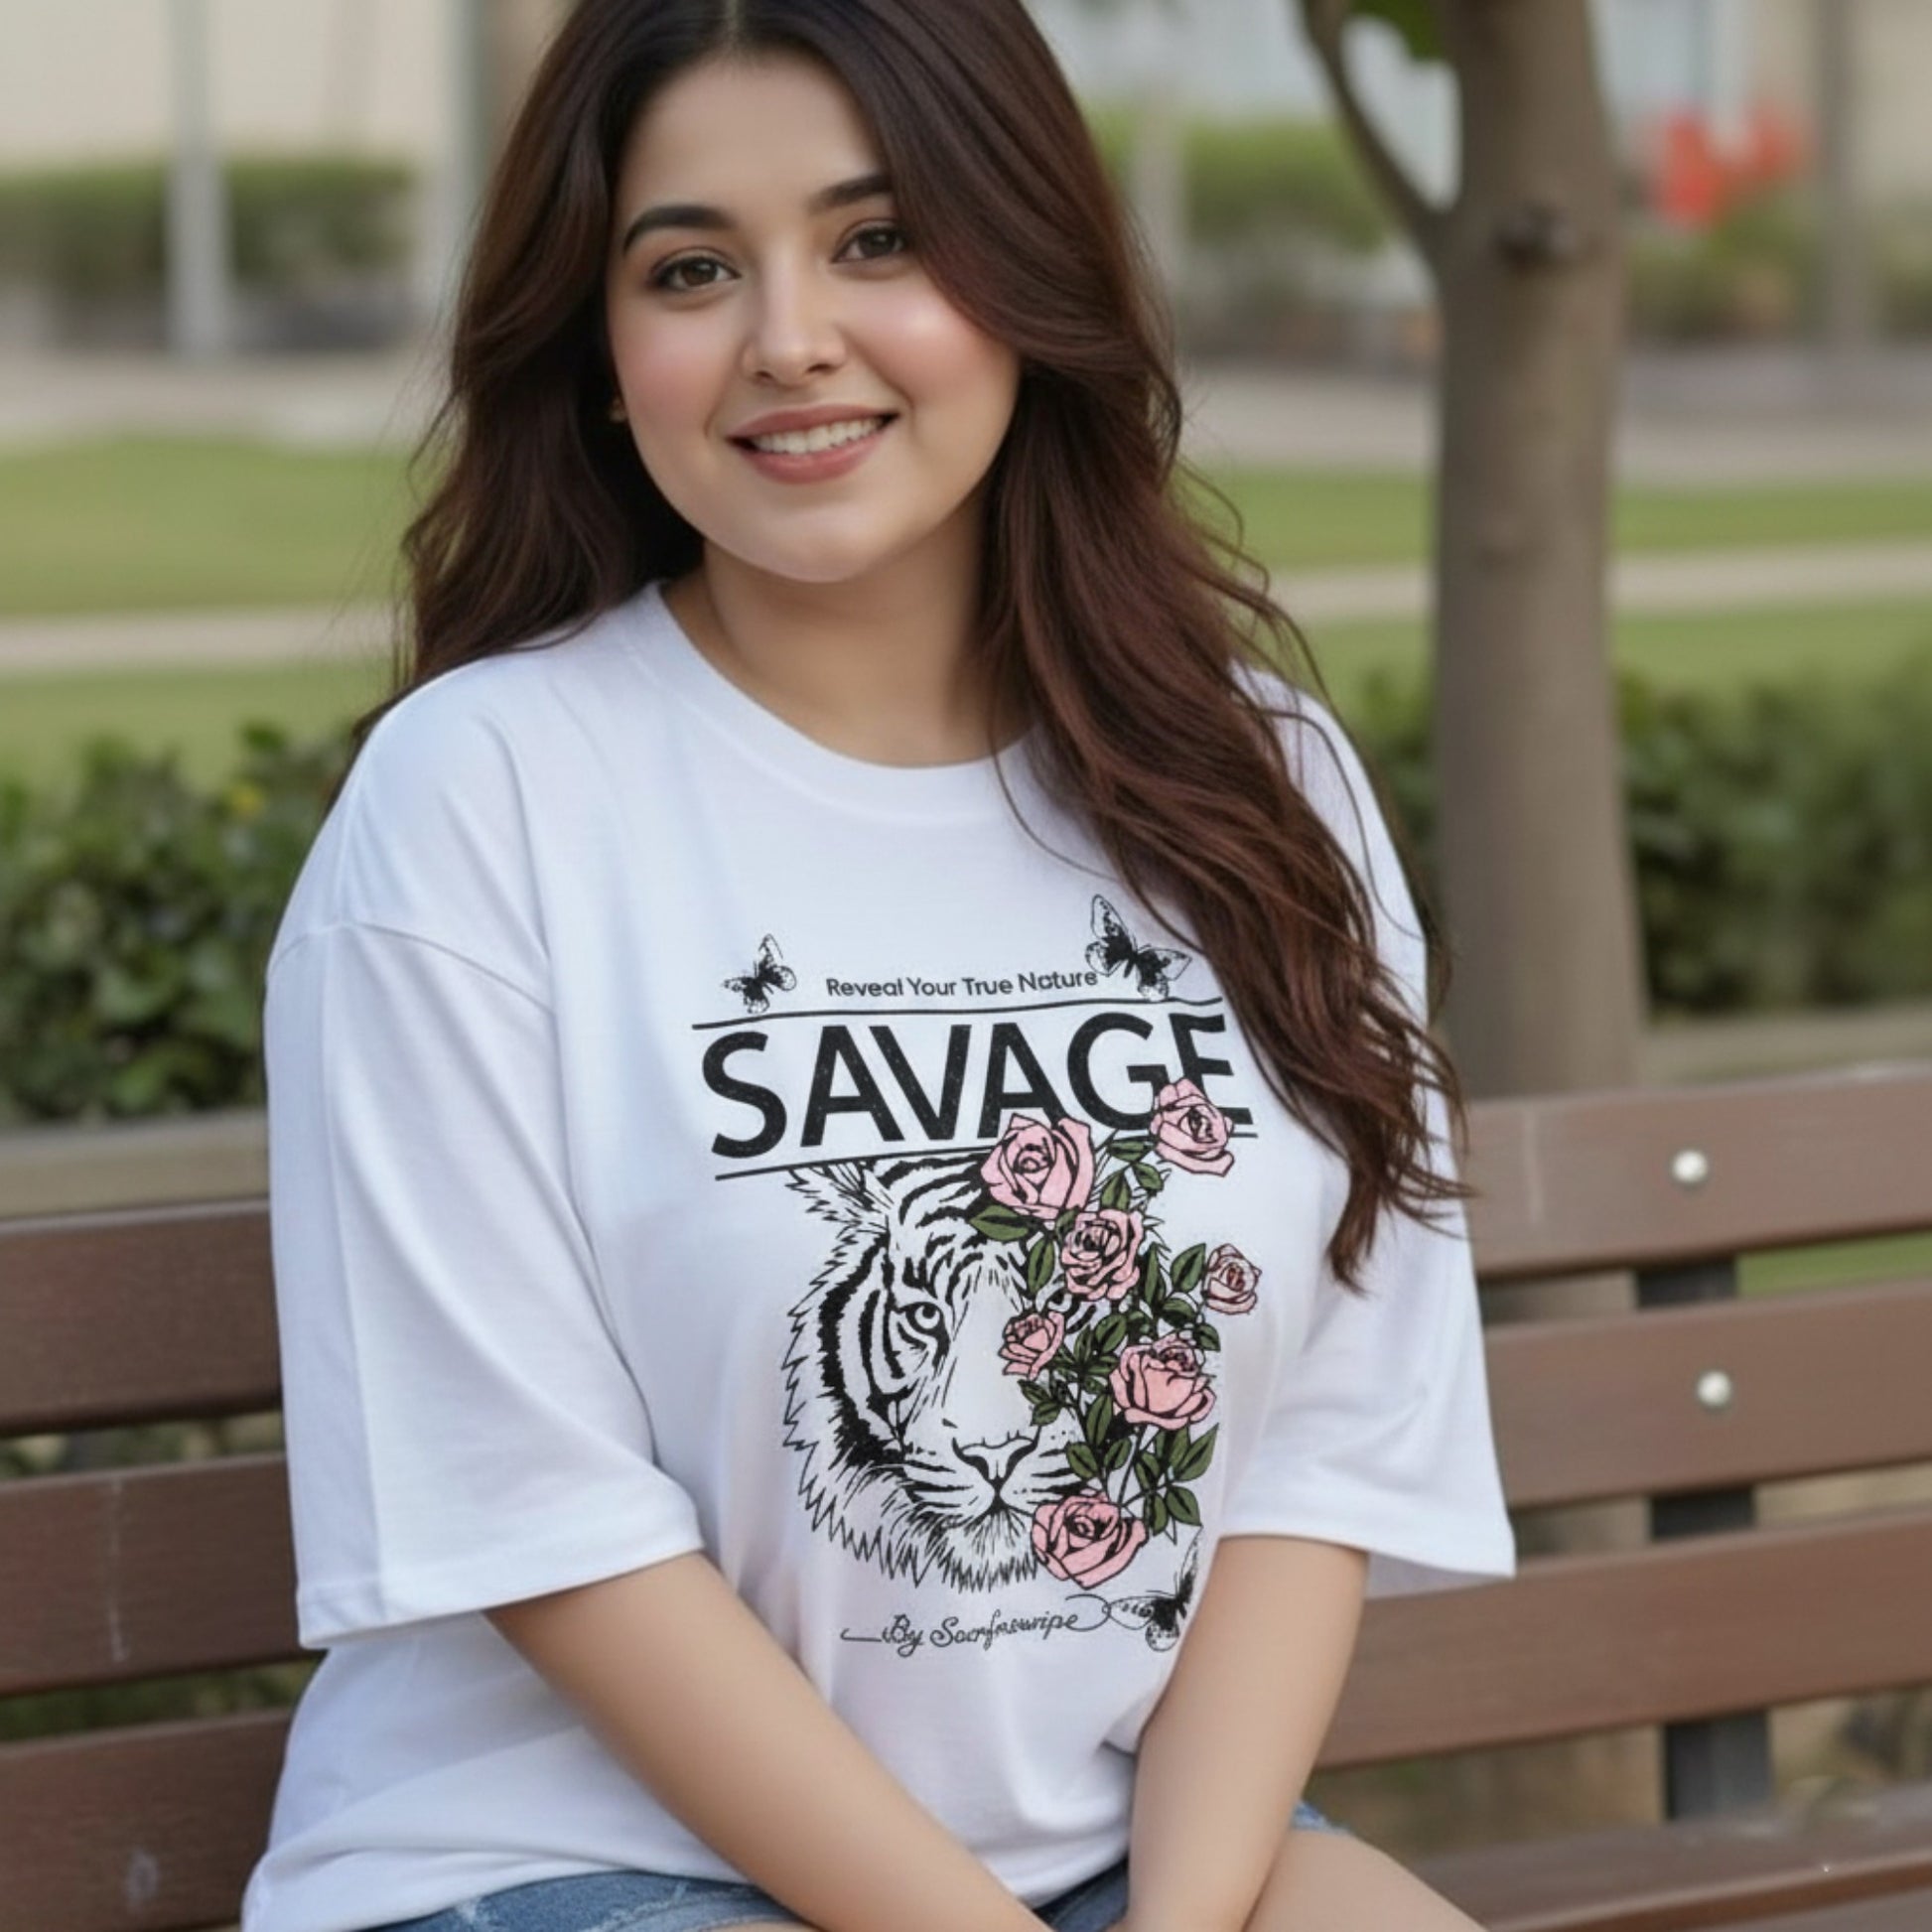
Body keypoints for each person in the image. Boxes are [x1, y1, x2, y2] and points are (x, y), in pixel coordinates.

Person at [239, 4, 1516, 1930]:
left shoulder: (1260, 787)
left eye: (878, 238)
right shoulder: (482, 798)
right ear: (601, 357)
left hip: (1118, 1854)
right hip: (564, 1860)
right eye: (690, 270)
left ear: (1028, 276)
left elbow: (1312, 1459)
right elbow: (537, 1522)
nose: (788, 337)